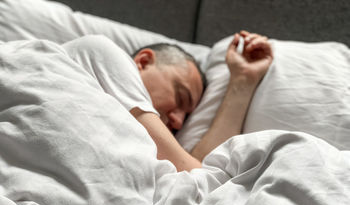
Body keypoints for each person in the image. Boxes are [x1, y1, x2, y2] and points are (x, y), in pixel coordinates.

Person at [63, 30, 273, 172]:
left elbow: (193, 175)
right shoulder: (98, 51)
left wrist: (243, 80)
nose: (179, 123)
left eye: (186, 116)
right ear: (143, 62)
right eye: (181, 96)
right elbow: (195, 173)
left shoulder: (140, 149)